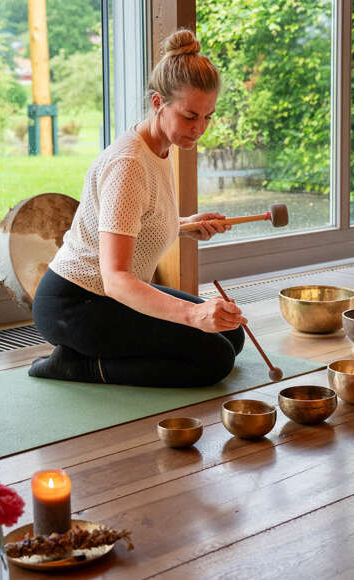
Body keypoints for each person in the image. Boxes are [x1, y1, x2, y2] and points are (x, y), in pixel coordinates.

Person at [29, 29, 246, 387]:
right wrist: (193, 314)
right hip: (76, 304)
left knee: (229, 335)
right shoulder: (129, 163)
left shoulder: (161, 146)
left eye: (208, 117)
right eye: (190, 116)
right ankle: (77, 366)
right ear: (159, 103)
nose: (200, 129)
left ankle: (100, 354)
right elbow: (115, 280)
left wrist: (185, 224)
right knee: (215, 357)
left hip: (106, 296)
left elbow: (133, 220)